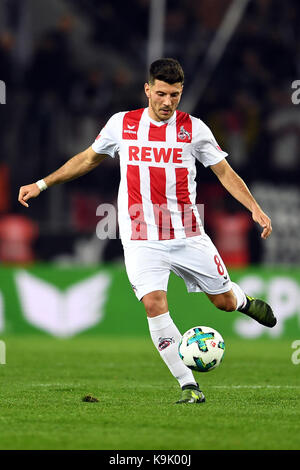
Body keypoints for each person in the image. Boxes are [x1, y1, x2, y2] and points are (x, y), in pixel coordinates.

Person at [18, 58, 276, 404]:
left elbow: (225, 173)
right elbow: (87, 159)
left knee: (223, 302)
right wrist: (42, 183)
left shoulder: (194, 129)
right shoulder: (121, 124)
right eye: (161, 94)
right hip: (141, 236)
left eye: (175, 95)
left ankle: (244, 301)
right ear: (147, 90)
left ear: (181, 93)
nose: (168, 102)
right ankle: (189, 387)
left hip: (187, 234)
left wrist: (255, 208)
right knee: (154, 304)